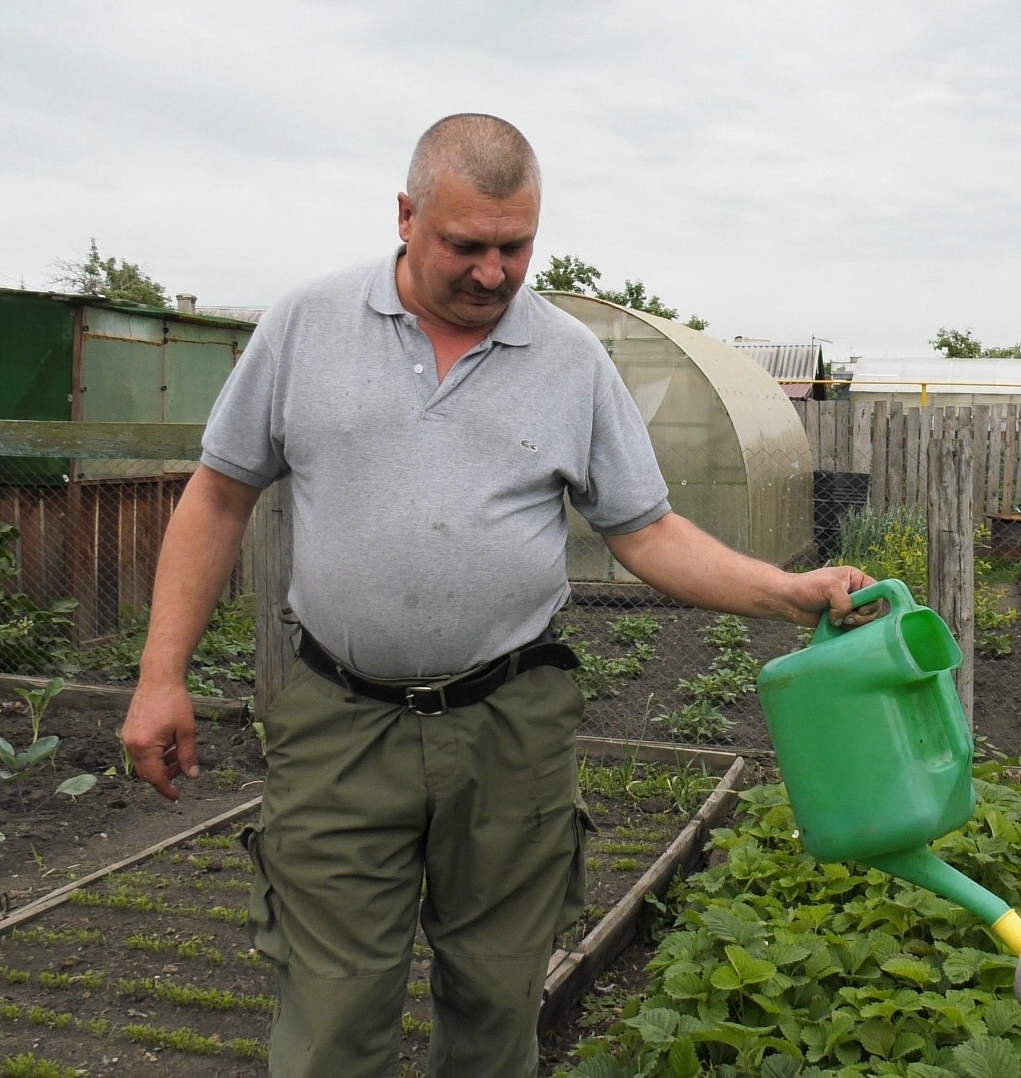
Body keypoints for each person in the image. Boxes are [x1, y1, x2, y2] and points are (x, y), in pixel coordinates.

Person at [121, 113, 874, 1078]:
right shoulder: (305, 327)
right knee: (330, 1019)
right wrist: (158, 676)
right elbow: (220, 496)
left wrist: (789, 592)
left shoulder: (569, 359)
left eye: (515, 247)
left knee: (496, 1005)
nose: (491, 273)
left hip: (509, 724)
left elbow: (645, 532)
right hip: (340, 722)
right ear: (404, 215)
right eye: (465, 246)